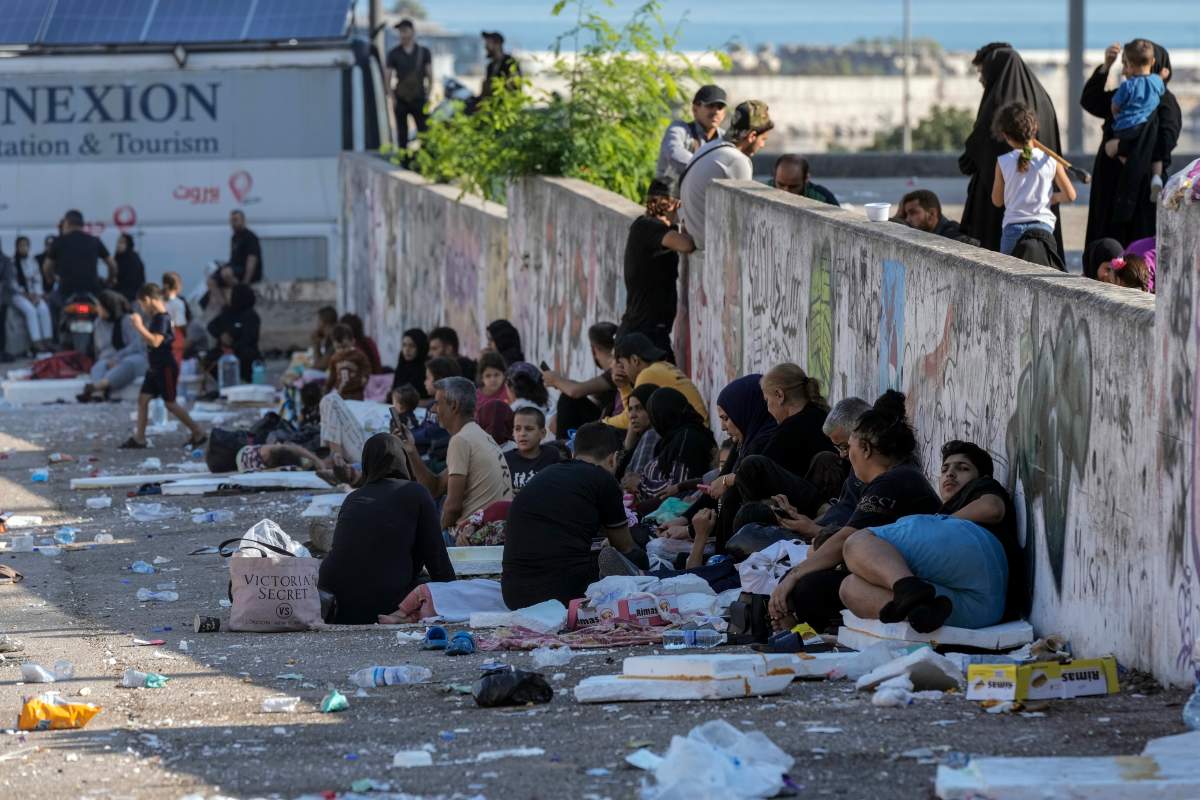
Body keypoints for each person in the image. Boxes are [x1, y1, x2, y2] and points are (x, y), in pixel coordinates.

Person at [768, 391, 941, 633]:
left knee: (808, 586)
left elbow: (846, 540)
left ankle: (803, 626)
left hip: (919, 578)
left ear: (866, 449)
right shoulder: (894, 477)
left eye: (847, 447)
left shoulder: (893, 481)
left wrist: (794, 577)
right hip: (905, 576)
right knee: (805, 577)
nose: (845, 455)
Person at [838, 440, 1026, 632]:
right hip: (987, 610)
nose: (950, 474)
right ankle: (916, 607)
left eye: (963, 468)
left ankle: (906, 587)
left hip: (981, 554)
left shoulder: (982, 486)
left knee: (856, 543)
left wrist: (938, 521)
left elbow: (992, 508)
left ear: (981, 475)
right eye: (944, 469)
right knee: (850, 588)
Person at [500, 422, 642, 610]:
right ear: (613, 458)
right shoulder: (604, 480)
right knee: (637, 558)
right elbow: (624, 546)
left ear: (574, 453)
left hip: (513, 594)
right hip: (563, 593)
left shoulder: (545, 475)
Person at [319, 433, 455, 625]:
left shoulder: (353, 498)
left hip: (337, 604)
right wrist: (454, 594)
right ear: (403, 460)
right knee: (428, 588)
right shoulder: (416, 493)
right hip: (384, 603)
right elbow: (437, 560)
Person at [959, 45, 1063, 252]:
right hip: (1040, 212)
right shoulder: (1043, 100)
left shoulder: (998, 106)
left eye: (982, 72)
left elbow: (972, 156)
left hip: (998, 212)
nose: (981, 79)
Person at [1082, 41, 1180, 247]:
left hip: (1140, 193)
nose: (1125, 70)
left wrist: (1122, 147)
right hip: (1110, 189)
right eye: (1125, 64)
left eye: (1128, 64)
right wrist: (1106, 66)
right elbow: (1090, 100)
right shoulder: (1129, 95)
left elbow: (1164, 143)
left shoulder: (1165, 102)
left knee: (1136, 254)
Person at [404, 376, 514, 531]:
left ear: (454, 406)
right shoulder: (479, 435)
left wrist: (436, 537)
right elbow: (435, 488)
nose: (434, 409)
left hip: (472, 537)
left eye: (437, 403)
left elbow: (453, 507)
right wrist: (411, 451)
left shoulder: (461, 440)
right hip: (489, 532)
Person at [119, 283, 206, 450]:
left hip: (165, 366)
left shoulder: (162, 318)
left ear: (148, 300)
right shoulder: (157, 318)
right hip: (154, 368)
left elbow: (156, 341)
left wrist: (139, 326)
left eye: (142, 304)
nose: (142, 308)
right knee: (143, 400)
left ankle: (198, 432)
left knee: (170, 403)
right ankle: (140, 439)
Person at [678, 100, 773, 251]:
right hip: (710, 245)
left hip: (694, 238)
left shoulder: (710, 146)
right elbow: (743, 219)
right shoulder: (737, 160)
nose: (762, 146)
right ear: (752, 136)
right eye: (763, 140)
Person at [617, 179, 695, 361]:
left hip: (646, 333)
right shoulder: (649, 227)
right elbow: (687, 244)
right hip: (644, 335)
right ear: (673, 203)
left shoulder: (645, 227)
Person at [990, 101, 1076, 256]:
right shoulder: (1050, 160)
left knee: (1007, 276)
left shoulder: (1003, 161)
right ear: (1034, 129)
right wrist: (1051, 198)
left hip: (1013, 230)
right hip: (1043, 229)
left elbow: (997, 201)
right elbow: (1070, 195)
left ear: (1005, 135)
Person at [1104, 39, 1166, 198]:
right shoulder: (1157, 81)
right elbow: (1160, 90)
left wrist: (1117, 115)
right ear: (1152, 61)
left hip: (1126, 128)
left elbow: (1115, 105)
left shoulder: (1127, 86)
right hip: (1146, 127)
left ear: (1130, 64)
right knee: (1156, 154)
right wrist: (1161, 76)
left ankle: (1132, 169)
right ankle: (1157, 178)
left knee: (1120, 152)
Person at [606, 332, 707, 429]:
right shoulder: (663, 367)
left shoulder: (648, 374)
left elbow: (629, 420)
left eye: (623, 365)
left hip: (691, 433)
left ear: (635, 360)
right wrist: (624, 387)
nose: (624, 371)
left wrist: (603, 423)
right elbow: (633, 414)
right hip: (698, 430)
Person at [636, 386, 716, 505]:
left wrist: (641, 484)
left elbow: (675, 488)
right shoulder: (671, 440)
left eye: (654, 416)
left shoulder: (688, 439)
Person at [543, 322, 621, 434]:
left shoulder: (616, 370)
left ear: (594, 349)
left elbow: (575, 391)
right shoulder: (614, 370)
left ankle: (563, 450)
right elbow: (581, 388)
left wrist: (555, 379)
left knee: (568, 399)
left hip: (609, 430)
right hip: (607, 425)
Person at [77, 291, 147, 403]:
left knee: (129, 364)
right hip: (109, 359)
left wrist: (118, 359)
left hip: (131, 356)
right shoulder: (99, 323)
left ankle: (97, 387)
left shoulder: (128, 321)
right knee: (98, 367)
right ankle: (98, 393)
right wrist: (110, 361)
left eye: (100, 306)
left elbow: (136, 346)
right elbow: (101, 349)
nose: (97, 308)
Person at [655, 84, 727, 185]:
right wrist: (710, 168)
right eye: (710, 106)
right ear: (695, 109)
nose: (715, 111)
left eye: (720, 107)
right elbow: (674, 154)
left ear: (724, 113)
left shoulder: (725, 139)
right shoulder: (679, 130)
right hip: (669, 197)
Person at [42, 210, 117, 299]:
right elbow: (112, 265)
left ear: (67, 223)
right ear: (82, 224)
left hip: (66, 291)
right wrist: (109, 280)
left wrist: (51, 279)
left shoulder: (59, 242)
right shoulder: (94, 241)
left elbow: (47, 267)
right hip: (92, 290)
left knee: (52, 302)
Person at [387, 19, 433, 149]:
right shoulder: (394, 53)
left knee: (425, 133)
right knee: (402, 136)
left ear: (412, 32)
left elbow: (430, 76)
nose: (402, 34)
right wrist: (392, 97)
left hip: (419, 98)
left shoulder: (424, 52)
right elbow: (387, 77)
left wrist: (427, 96)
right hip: (401, 99)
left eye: (405, 31)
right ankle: (403, 163)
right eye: (400, 32)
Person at [206, 283, 262, 383]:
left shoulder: (251, 316)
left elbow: (249, 338)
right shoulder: (228, 312)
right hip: (225, 351)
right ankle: (223, 382)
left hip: (241, 351)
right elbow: (211, 326)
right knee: (209, 358)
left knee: (247, 355)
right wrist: (221, 334)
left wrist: (233, 345)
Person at [6, 236, 54, 352]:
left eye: (26, 245)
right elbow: (12, 283)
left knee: (43, 309)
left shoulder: (32, 261)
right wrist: (26, 294)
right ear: (17, 247)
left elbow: (37, 278)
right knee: (30, 310)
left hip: (34, 294)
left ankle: (48, 340)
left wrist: (37, 294)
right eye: (21, 246)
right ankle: (36, 342)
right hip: (19, 295)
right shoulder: (12, 262)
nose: (24, 248)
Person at [207, 210, 262, 307]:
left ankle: (242, 295)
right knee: (211, 281)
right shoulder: (234, 238)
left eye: (236, 220)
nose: (233, 223)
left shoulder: (250, 237)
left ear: (243, 221)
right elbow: (233, 259)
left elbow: (251, 260)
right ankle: (225, 308)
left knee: (227, 273)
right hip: (235, 269)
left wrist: (246, 282)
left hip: (248, 272)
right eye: (231, 221)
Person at [617, 383, 661, 491]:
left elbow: (633, 483)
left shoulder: (651, 435)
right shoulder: (643, 436)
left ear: (652, 408)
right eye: (630, 409)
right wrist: (629, 441)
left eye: (639, 408)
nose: (632, 415)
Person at [505, 407, 560, 492]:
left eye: (529, 429)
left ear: (542, 433)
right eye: (517, 429)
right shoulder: (506, 459)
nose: (522, 434)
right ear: (513, 433)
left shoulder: (551, 455)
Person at [324, 324, 371, 402]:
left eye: (345, 347)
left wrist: (365, 376)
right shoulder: (334, 358)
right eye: (338, 348)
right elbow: (332, 375)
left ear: (353, 341)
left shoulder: (358, 355)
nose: (342, 351)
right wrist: (327, 387)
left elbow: (366, 366)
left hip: (356, 390)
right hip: (341, 391)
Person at [771, 154, 839, 206]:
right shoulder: (763, 190)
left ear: (806, 179)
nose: (786, 191)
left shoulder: (823, 198)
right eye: (781, 185)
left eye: (793, 187)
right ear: (774, 176)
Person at [476, 31, 521, 109]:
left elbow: (515, 85)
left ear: (497, 44)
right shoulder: (490, 66)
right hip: (491, 106)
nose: (485, 47)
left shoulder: (509, 62)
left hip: (506, 107)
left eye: (488, 44)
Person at [899, 190, 965, 240]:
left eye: (913, 212)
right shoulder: (925, 232)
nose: (907, 219)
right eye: (906, 214)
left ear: (932, 213)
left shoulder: (952, 234)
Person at [161, 272, 189, 368]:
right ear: (178, 285)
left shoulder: (159, 302)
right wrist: (186, 335)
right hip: (175, 338)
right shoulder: (178, 303)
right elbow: (180, 323)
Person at [392, 327, 430, 397]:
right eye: (404, 345)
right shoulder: (402, 363)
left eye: (412, 346)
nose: (407, 349)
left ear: (420, 347)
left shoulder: (427, 367)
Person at [113, 233, 146, 303]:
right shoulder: (119, 258)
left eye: (122, 242)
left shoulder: (132, 259)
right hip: (122, 296)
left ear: (128, 244)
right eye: (118, 242)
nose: (118, 245)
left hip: (130, 297)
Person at [313, 306, 340, 372]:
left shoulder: (335, 337)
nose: (315, 324)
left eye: (317, 321)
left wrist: (315, 343)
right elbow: (321, 361)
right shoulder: (331, 336)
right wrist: (317, 343)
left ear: (323, 322)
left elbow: (319, 366)